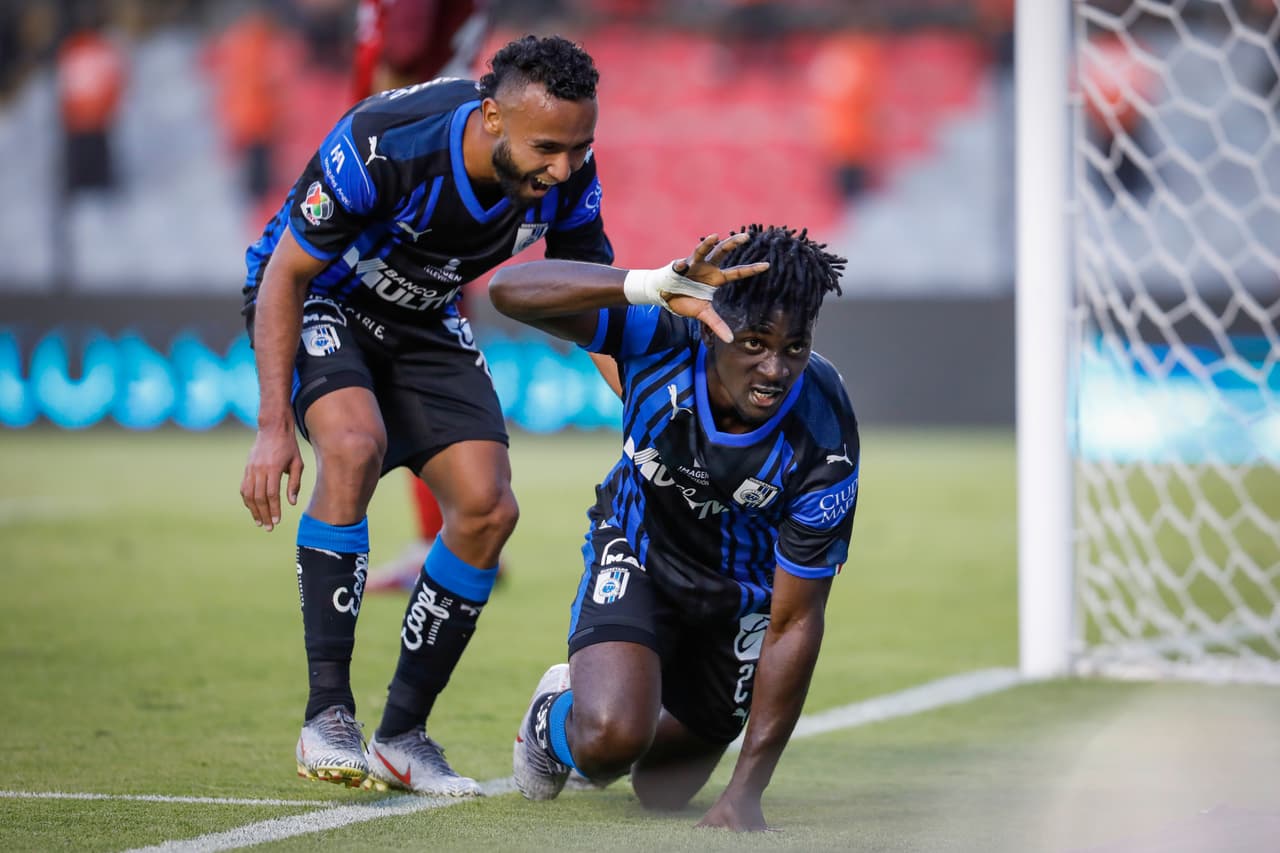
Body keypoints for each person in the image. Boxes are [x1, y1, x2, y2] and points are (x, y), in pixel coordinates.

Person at [238, 35, 614, 797]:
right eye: (547, 147)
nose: (563, 170)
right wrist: (274, 423)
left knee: (486, 507)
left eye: (579, 147)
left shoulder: (570, 174)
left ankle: (402, 734)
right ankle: (327, 715)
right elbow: (285, 272)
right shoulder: (385, 144)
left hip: (421, 316)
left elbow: (586, 306)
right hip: (325, 299)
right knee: (353, 445)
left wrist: (649, 407)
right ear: (491, 119)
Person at [489, 225, 858, 831]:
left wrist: (747, 791)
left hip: (741, 597)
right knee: (608, 741)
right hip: (639, 551)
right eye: (755, 342)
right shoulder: (660, 334)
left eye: (794, 348)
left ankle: (631, 697)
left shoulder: (824, 432)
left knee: (661, 791)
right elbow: (508, 290)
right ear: (714, 326)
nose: (775, 368)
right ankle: (556, 718)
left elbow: (794, 622)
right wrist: (646, 286)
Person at [349, 0, 493, 593]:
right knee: (426, 349)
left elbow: (401, 62)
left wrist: (370, 164)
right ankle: (457, 529)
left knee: (403, 361)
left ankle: (445, 535)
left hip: (405, 172)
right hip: (443, 168)